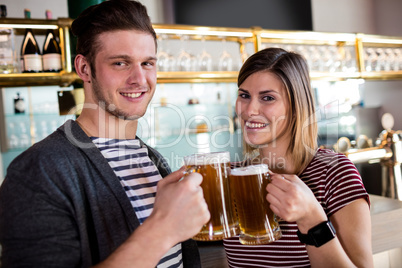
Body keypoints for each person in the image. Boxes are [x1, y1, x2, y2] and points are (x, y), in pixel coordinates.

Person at [0, 0, 210, 267]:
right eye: (121, 63)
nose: (139, 78)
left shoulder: (152, 160)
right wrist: (162, 230)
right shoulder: (36, 172)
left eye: (147, 63)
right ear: (84, 68)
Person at [224, 47, 373, 267]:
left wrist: (311, 219)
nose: (250, 110)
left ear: (296, 106)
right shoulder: (233, 177)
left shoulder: (334, 173)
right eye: (244, 95)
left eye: (267, 98)